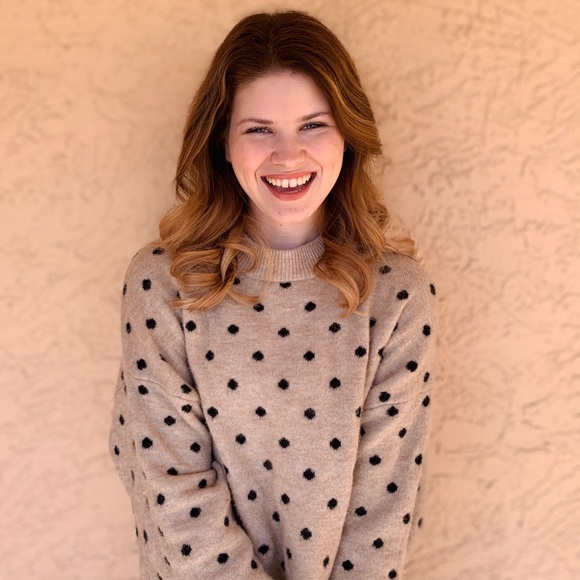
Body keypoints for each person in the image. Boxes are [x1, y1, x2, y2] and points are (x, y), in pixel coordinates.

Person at [109, 10, 436, 580]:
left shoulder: (397, 296)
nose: (288, 155)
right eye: (259, 129)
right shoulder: (162, 284)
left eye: (313, 125)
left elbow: (385, 509)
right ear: (223, 142)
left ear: (348, 135)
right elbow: (173, 491)